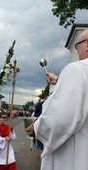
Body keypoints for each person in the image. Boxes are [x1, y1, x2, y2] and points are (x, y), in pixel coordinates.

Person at [25, 29, 88, 170]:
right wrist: (60, 80)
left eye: (78, 45)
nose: (77, 51)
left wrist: (36, 127)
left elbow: (61, 119)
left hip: (73, 159)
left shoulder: (76, 69)